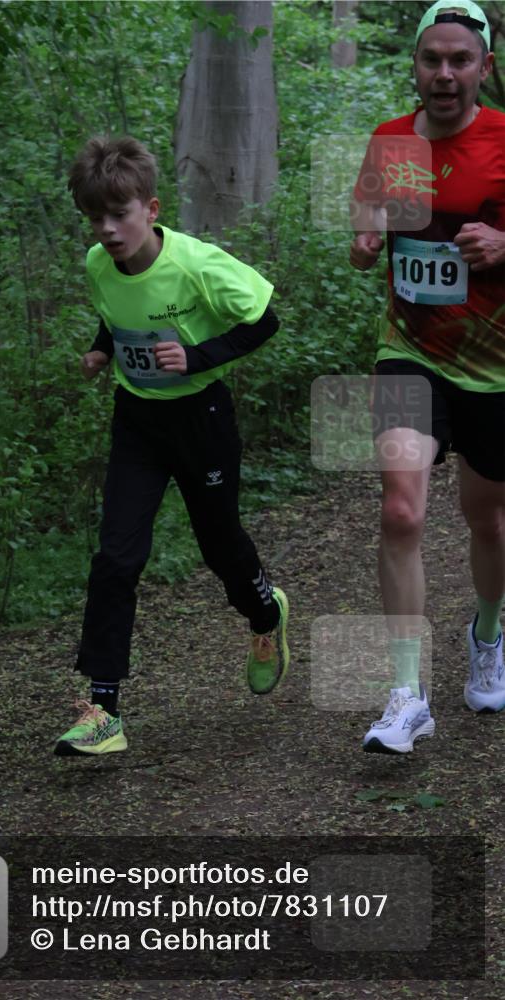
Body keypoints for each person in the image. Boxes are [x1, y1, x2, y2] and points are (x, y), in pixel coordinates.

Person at [54, 136, 290, 756]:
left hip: (202, 419)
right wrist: (103, 349)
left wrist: (196, 358)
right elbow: (117, 311)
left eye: (119, 214)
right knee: (116, 559)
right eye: (95, 217)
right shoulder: (97, 264)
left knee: (220, 547)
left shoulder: (197, 264)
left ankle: (266, 614)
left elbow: (264, 318)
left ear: (151, 208)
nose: (107, 229)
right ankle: (101, 712)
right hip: (137, 422)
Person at [350, 0, 505, 754]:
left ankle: (485, 631)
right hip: (407, 348)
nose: (443, 73)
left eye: (458, 60)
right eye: (430, 59)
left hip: (493, 364)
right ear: (414, 63)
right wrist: (362, 233)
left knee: (488, 520)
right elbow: (364, 226)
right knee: (402, 513)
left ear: (482, 65)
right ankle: (406, 694)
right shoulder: (389, 140)